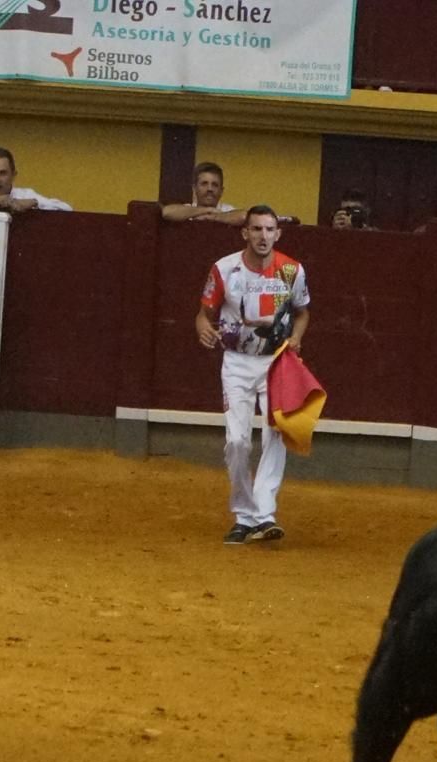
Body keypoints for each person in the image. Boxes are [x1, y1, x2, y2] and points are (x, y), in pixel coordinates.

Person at [195, 205, 312, 545]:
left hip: (275, 361)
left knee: (276, 433)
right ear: (245, 233)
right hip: (236, 361)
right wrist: (203, 329)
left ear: (278, 233)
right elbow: (203, 314)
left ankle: (263, 514)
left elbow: (302, 313)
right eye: (257, 229)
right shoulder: (224, 269)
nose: (263, 236)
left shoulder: (291, 270)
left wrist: (297, 338)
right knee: (237, 441)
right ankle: (244, 516)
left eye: (269, 229)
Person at [161, 161, 244, 225]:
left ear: (221, 191)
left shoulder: (227, 210)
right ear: (194, 188)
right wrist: (207, 210)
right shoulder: (187, 209)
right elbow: (166, 212)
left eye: (215, 185)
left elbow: (246, 216)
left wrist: (216, 217)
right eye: (204, 184)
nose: (210, 189)